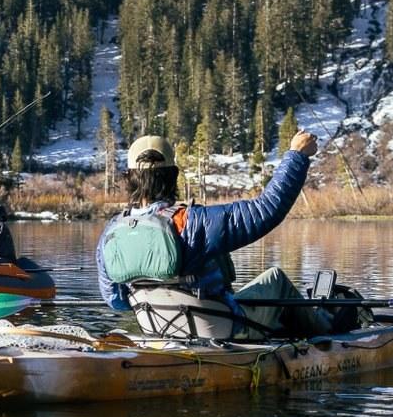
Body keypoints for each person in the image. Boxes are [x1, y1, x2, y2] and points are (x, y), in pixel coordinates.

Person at [95, 130, 334, 339]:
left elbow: (117, 301)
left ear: (129, 178)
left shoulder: (111, 233)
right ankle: (328, 337)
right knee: (275, 279)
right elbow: (267, 209)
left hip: (158, 329)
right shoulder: (193, 222)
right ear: (173, 175)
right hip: (224, 329)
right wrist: (297, 155)